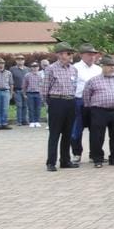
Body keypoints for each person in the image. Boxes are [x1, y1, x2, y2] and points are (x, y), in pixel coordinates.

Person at [42, 42, 79, 171]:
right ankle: (51, 162)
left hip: (70, 101)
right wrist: (50, 104)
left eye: (69, 53)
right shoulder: (51, 69)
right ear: (58, 55)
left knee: (68, 133)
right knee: (55, 133)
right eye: (65, 53)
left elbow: (74, 86)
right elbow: (44, 90)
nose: (67, 56)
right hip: (57, 101)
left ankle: (65, 160)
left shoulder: (73, 69)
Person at [83, 55, 114, 167]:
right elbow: (86, 96)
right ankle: (97, 159)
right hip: (99, 111)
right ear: (103, 66)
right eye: (109, 66)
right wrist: (90, 109)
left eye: (113, 66)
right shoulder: (93, 81)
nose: (112, 68)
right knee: (97, 136)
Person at [71, 43, 102, 162]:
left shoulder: (98, 69)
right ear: (81, 55)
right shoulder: (74, 68)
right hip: (79, 101)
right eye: (89, 54)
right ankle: (76, 153)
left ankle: (94, 154)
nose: (92, 57)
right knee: (76, 129)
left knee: (95, 129)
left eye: (94, 54)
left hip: (95, 102)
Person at [9, 55, 29, 126]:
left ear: (24, 61)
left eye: (22, 59)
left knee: (25, 106)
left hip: (26, 91)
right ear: (16, 61)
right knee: (19, 106)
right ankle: (19, 121)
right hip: (17, 90)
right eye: (18, 59)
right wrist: (12, 91)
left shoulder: (28, 69)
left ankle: (25, 120)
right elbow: (10, 80)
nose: (20, 61)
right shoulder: (12, 69)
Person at [23, 62, 43, 127]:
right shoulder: (27, 75)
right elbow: (24, 85)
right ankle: (31, 121)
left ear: (38, 67)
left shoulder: (41, 75)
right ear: (31, 68)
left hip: (39, 93)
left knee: (38, 108)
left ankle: (37, 121)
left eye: (36, 66)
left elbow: (43, 85)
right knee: (31, 108)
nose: (35, 68)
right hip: (30, 93)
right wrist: (24, 94)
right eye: (33, 67)